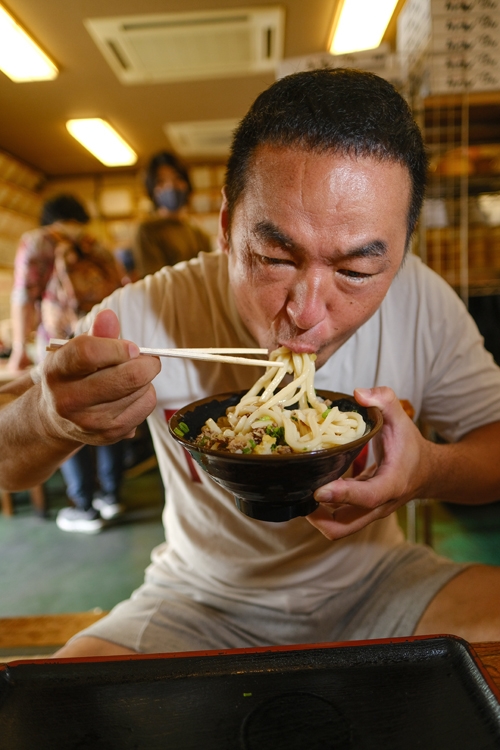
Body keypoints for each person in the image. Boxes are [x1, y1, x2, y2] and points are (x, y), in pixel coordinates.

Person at [1, 69, 500, 656]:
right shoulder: (146, 313)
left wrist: (428, 471)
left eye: (356, 273)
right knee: (65, 708)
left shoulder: (422, 300)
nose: (308, 312)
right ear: (225, 226)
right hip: (199, 598)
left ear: (402, 248)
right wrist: (49, 418)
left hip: (377, 581)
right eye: (274, 256)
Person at [7, 194, 125, 533]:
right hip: (104, 341)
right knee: (106, 409)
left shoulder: (38, 241)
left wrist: (17, 350)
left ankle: (84, 506)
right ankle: (111, 495)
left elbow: (24, 296)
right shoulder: (97, 244)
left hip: (61, 346)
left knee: (66, 416)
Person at [133, 151, 213, 277]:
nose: (170, 186)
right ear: (151, 190)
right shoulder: (148, 231)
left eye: (177, 178)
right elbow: (155, 284)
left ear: (187, 184)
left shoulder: (199, 234)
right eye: (161, 181)